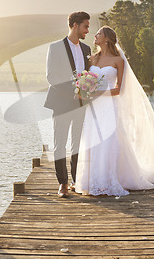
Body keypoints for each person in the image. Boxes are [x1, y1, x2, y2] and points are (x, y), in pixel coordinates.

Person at [75, 26, 154, 196]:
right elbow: (85, 82)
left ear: (107, 39)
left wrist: (98, 93)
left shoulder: (119, 61)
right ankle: (94, 181)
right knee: (93, 142)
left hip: (110, 106)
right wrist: (84, 91)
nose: (95, 35)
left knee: (110, 142)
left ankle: (111, 180)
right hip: (94, 108)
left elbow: (119, 90)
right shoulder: (92, 59)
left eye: (99, 33)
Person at [44, 11, 91, 198]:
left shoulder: (87, 49)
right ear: (74, 25)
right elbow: (51, 76)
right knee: (60, 144)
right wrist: (72, 91)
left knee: (78, 143)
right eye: (85, 26)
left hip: (81, 104)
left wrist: (87, 91)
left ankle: (75, 180)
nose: (87, 30)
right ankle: (62, 183)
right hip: (61, 103)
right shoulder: (55, 48)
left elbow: (88, 75)